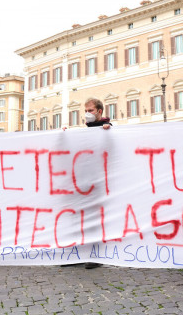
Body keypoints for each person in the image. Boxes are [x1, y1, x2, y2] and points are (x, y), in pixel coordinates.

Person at [82, 98, 110, 269]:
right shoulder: (85, 131)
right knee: (81, 219)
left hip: (100, 183)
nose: (87, 114)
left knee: (96, 220)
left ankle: (96, 255)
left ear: (100, 111)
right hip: (85, 183)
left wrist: (108, 130)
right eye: (86, 110)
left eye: (91, 110)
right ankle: (78, 254)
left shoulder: (107, 128)